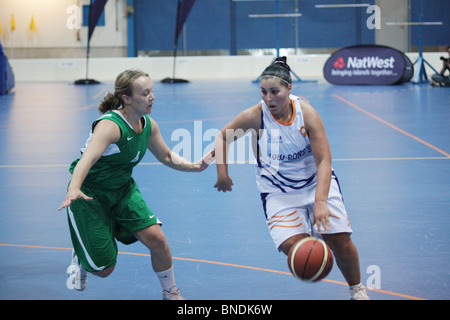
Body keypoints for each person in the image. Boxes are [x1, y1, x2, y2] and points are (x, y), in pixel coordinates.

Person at [214, 57, 370, 300]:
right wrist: (222, 173)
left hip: (315, 182)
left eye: (274, 91)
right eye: (263, 92)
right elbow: (223, 138)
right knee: (297, 249)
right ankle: (315, 243)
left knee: (340, 241)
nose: (268, 98)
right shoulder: (254, 116)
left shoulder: (307, 114)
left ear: (289, 89)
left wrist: (320, 201)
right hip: (278, 191)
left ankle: (357, 289)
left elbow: (324, 162)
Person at [58, 69, 213, 300]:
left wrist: (194, 166)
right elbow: (87, 159)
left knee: (158, 240)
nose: (152, 97)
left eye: (152, 91)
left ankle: (171, 292)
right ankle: (81, 256)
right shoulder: (110, 126)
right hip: (90, 194)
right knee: (104, 269)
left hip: (122, 190)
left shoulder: (148, 125)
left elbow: (168, 156)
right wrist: (74, 188)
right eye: (145, 93)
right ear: (127, 99)